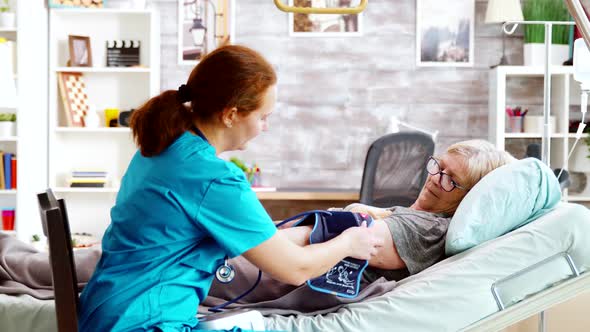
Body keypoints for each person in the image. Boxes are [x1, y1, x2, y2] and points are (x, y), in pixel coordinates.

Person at [77, 45, 383, 332]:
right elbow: (295, 270)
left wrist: (321, 226)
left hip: (109, 312)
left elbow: (260, 241)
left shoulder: (160, 149)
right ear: (231, 114)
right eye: (263, 117)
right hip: (144, 322)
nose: (266, 127)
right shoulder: (213, 177)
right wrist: (349, 244)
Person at [205, 139, 516, 308]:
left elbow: (332, 234)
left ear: (468, 196)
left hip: (268, 268)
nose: (435, 179)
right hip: (272, 258)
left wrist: (237, 244)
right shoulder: (410, 214)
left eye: (452, 180)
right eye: (439, 167)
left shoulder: (428, 229)